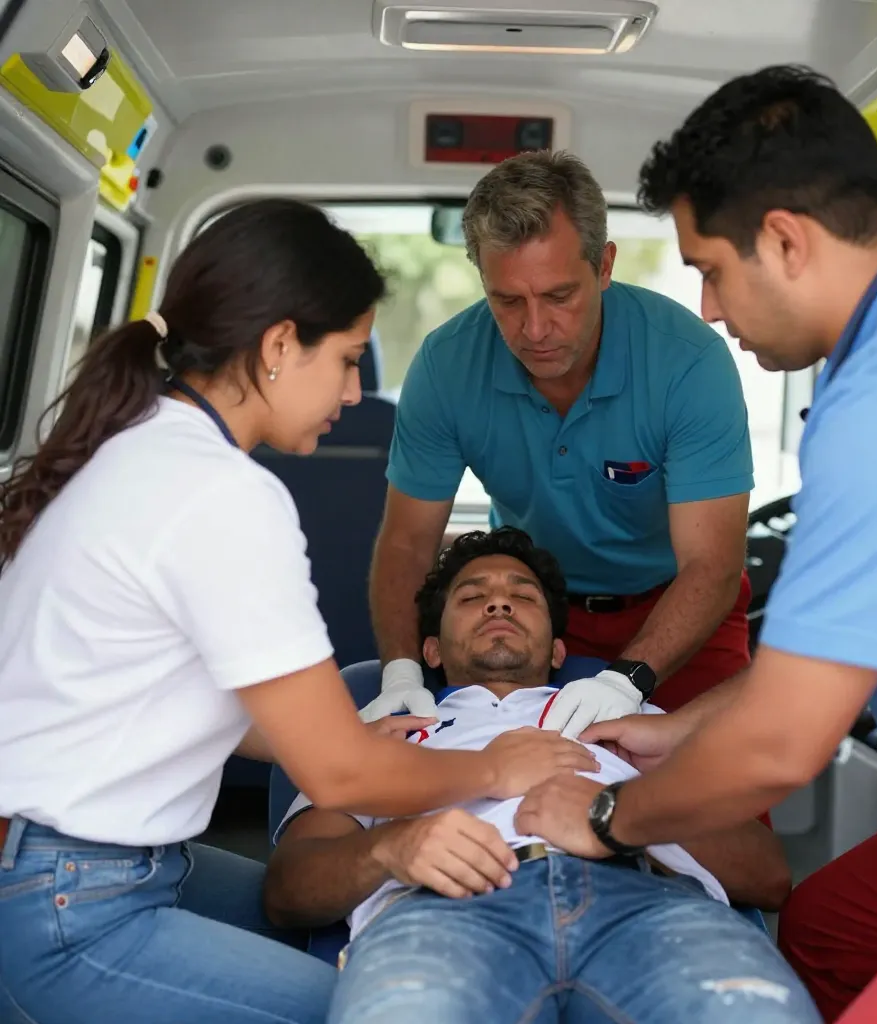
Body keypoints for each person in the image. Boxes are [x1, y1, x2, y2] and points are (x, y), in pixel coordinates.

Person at [512, 65, 877, 1024]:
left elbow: (785, 743)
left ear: (785, 240)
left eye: (710, 268)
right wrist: (676, 729)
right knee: (826, 928)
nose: (707, 307)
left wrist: (609, 820)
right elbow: (825, 662)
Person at [0, 199, 595, 1024]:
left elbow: (162, 699)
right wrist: (496, 768)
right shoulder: (222, 493)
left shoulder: (148, 448)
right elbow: (339, 778)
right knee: (368, 1007)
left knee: (322, 905)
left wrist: (351, 740)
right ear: (280, 346)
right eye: (348, 359)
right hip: (71, 903)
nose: (357, 392)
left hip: (100, 864)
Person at [266, 526, 817, 1024]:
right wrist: (390, 846)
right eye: (472, 596)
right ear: (430, 649)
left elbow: (768, 878)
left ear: (558, 650)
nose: (499, 602)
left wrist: (625, 810)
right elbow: (289, 891)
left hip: (649, 905)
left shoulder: (636, 727)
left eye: (522, 597)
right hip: (443, 914)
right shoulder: (380, 735)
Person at [364, 149, 756, 737]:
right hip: (536, 611)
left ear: (604, 267)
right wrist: (400, 674)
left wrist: (626, 681)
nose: (536, 329)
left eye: (559, 296)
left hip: (679, 606)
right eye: (508, 301)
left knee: (728, 797)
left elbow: (712, 564)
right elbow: (405, 546)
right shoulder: (446, 365)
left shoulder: (688, 362)